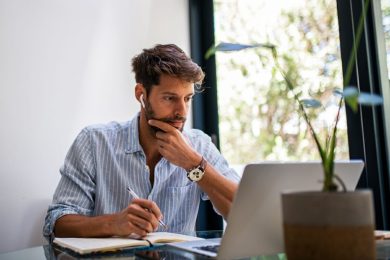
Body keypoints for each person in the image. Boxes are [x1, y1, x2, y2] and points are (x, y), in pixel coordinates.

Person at [43, 44, 239, 240]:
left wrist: (195, 165)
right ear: (141, 94)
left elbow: (245, 208)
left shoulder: (199, 146)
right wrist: (115, 223)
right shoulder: (94, 142)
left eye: (187, 99)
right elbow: (57, 222)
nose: (182, 111)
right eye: (170, 98)